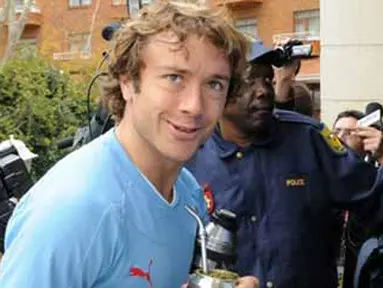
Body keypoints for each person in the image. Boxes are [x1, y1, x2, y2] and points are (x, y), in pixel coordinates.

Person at [0, 2, 258, 288]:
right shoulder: (74, 209)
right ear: (127, 82)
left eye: (214, 84)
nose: (194, 106)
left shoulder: (187, 192)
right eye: (174, 78)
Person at [186, 41, 383, 288]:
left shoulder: (309, 140)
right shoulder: (190, 153)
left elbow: (375, 198)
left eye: (267, 80)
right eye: (250, 81)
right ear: (217, 88)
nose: (263, 91)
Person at [333, 109, 383, 288]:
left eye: (349, 132)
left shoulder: (375, 182)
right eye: (336, 131)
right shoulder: (323, 181)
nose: (339, 137)